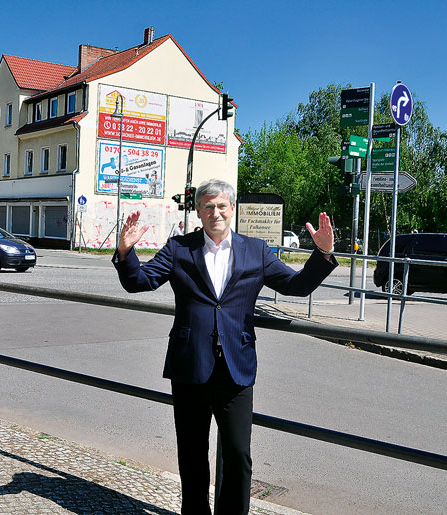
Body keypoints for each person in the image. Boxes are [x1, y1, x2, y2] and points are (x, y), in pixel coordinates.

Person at [113, 179, 336, 514]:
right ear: (199, 212)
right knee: (191, 453)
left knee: (237, 454)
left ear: (232, 210)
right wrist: (125, 253)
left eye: (221, 206)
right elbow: (138, 282)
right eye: (208, 206)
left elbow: (296, 285)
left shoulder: (256, 251)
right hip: (190, 366)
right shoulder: (179, 249)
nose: (215, 212)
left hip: (236, 366)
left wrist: (323, 254)